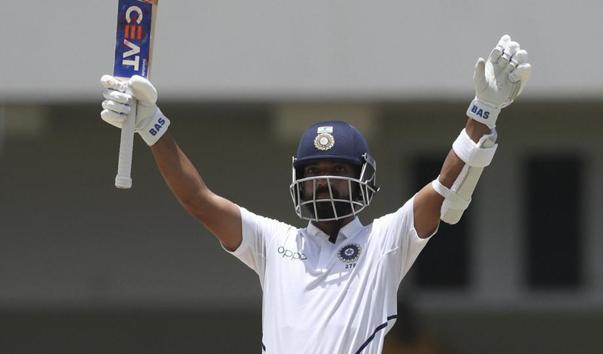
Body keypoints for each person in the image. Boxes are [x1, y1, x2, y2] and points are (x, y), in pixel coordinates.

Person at [99, 34, 531, 354]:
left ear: (362, 177)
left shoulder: (383, 242)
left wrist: (483, 112)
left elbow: (443, 187)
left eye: (337, 170)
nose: (324, 179)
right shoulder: (274, 243)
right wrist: (151, 126)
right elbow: (198, 199)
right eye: (315, 171)